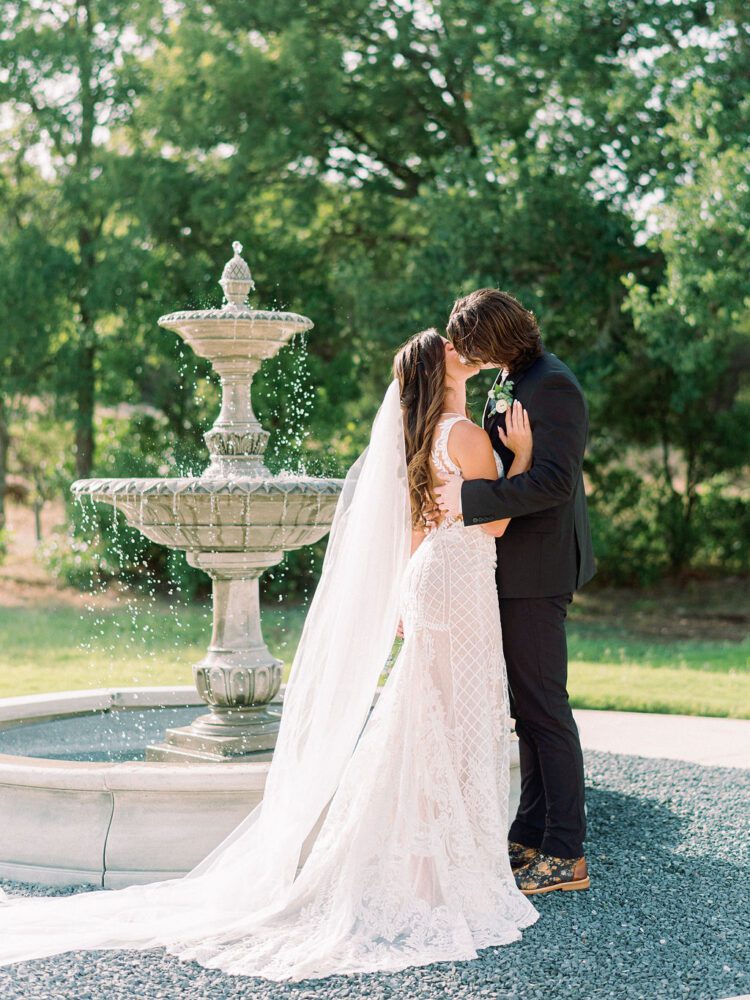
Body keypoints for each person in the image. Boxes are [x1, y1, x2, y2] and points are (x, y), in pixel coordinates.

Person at [0, 328, 538, 981]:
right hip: (460, 583)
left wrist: (400, 597)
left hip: (429, 581)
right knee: (454, 723)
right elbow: (496, 521)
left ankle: (421, 867)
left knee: (423, 722)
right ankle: (440, 876)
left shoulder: (420, 438)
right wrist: (525, 456)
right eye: (454, 352)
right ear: (440, 369)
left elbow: (417, 524)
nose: (464, 353)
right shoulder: (469, 437)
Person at [435, 288, 596, 895]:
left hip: (537, 569)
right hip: (511, 566)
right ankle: (529, 832)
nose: (466, 356)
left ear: (495, 341)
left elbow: (556, 481)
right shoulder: (515, 377)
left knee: (545, 709)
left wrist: (469, 501)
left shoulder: (551, 384)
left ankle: (566, 852)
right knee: (524, 709)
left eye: (472, 345)